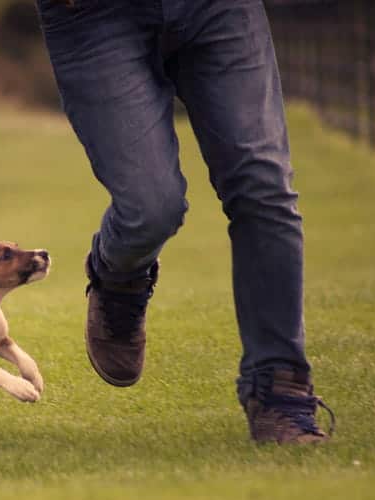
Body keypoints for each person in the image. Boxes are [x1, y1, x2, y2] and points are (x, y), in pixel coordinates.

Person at [35, 0, 334, 443]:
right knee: (150, 207)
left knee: (263, 186)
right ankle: (118, 278)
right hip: (94, 16)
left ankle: (279, 389)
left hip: (219, 10)